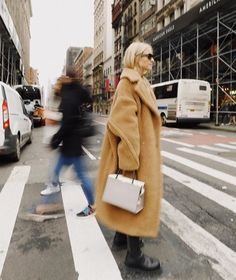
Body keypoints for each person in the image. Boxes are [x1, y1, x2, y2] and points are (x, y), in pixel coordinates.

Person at [95, 41, 163, 271]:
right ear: (136, 58)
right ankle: (134, 255)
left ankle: (120, 238)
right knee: (135, 200)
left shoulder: (140, 83)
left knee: (129, 197)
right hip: (134, 156)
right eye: (148, 56)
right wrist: (130, 162)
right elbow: (123, 126)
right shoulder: (129, 83)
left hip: (139, 153)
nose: (152, 60)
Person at [40, 67, 95, 217]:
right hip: (70, 144)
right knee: (56, 173)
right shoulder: (70, 94)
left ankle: (92, 205)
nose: (54, 88)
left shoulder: (68, 97)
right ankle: (44, 207)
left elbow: (68, 123)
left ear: (61, 84)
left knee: (81, 176)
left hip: (72, 144)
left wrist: (54, 139)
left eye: (55, 86)